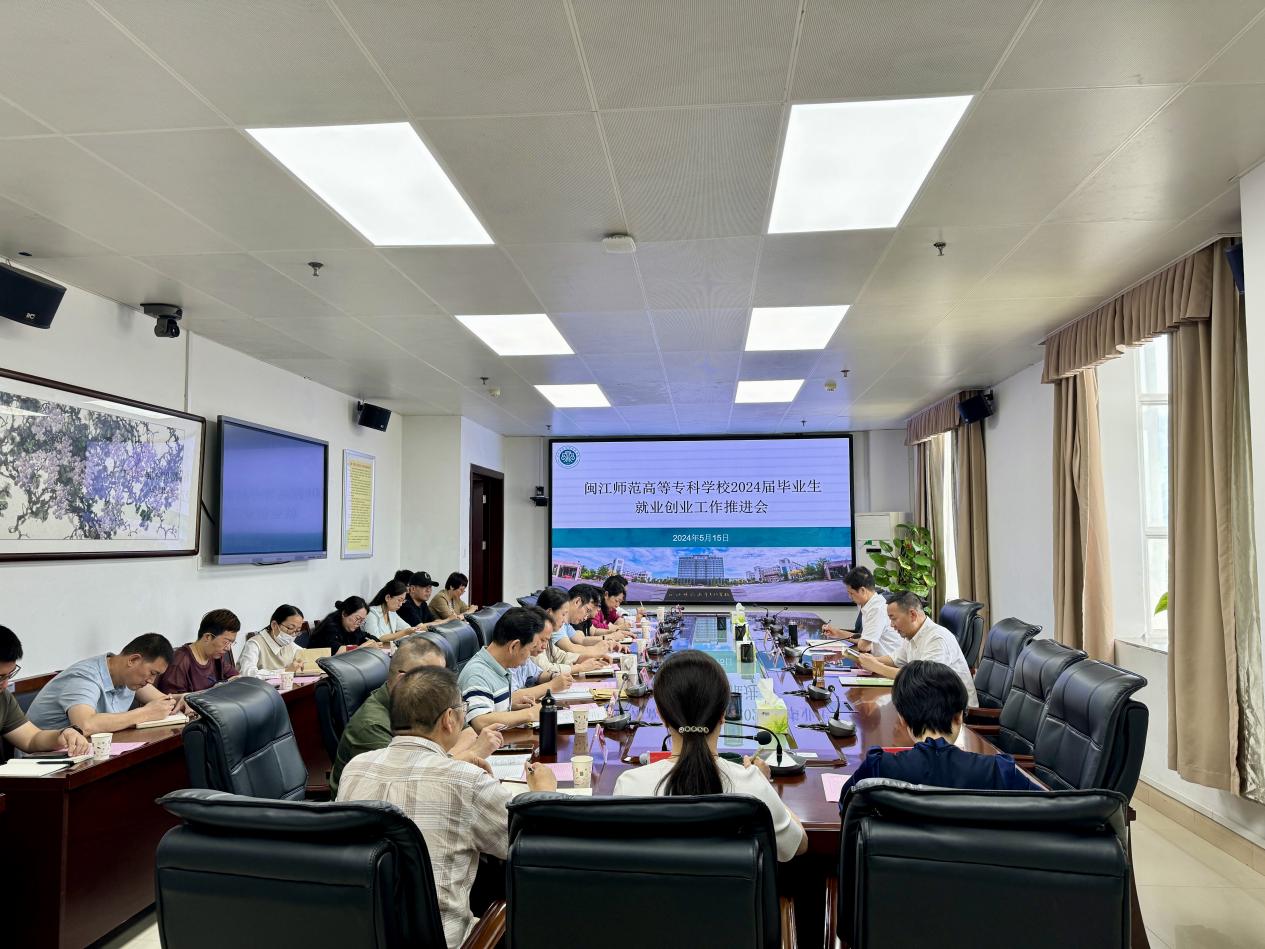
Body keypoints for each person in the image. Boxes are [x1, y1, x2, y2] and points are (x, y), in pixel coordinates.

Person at [337, 666, 555, 947]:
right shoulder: (465, 781)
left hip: (363, 935)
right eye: (463, 708)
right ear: (449, 719)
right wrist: (544, 792)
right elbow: (536, 843)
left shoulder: (355, 768)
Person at [613, 649, 807, 862]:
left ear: (661, 715)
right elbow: (798, 845)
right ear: (723, 714)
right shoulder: (752, 787)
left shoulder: (629, 786)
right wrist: (764, 786)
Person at [838, 660, 1034, 805]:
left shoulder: (878, 768)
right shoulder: (999, 771)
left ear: (902, 719)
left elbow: (846, 807)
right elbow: (1044, 811)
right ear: (959, 716)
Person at [329, 636, 503, 795]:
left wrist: (443, 760)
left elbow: (468, 733)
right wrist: (472, 753)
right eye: (432, 678)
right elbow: (406, 784)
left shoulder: (430, 702)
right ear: (403, 679)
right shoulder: (372, 725)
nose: (442, 686)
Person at [27, 633, 180, 733]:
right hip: (43, 760)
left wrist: (183, 699)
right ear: (133, 660)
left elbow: (163, 701)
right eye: (152, 673)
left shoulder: (129, 677)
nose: (151, 681)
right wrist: (145, 713)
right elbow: (84, 725)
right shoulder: (84, 678)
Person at [855, 590, 979, 706]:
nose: (891, 625)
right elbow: (895, 659)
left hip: (955, 712)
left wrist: (876, 667)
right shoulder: (911, 635)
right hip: (929, 703)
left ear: (913, 615)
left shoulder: (937, 638)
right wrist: (868, 660)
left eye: (893, 619)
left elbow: (921, 679)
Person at [0, 626, 91, 757]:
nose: (5, 684)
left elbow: (31, 739)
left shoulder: (3, 698)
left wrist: (61, 735)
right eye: (0, 677)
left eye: (9, 675)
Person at [457, 607, 551, 732]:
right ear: (514, 646)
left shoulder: (500, 668)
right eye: (530, 649)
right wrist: (530, 714)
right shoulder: (478, 674)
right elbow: (480, 721)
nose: (528, 658)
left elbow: (490, 710)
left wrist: (510, 706)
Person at [156, 609, 241, 693]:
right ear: (207, 637)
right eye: (226, 642)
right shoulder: (180, 661)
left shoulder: (215, 657)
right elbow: (171, 699)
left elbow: (237, 678)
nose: (228, 648)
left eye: (231, 643)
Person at [823, 567, 902, 656]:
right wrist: (837, 632)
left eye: (851, 593)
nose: (850, 597)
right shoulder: (872, 604)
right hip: (877, 659)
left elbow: (864, 646)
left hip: (886, 662)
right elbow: (863, 639)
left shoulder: (877, 609)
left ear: (863, 590)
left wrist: (840, 654)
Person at [532, 587, 607, 678]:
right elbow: (544, 669)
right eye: (563, 614)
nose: (564, 620)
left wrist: (585, 658)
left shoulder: (545, 632)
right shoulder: (533, 633)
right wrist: (579, 667)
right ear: (549, 613)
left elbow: (560, 656)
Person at [507, 607, 574, 700]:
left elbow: (538, 674)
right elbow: (512, 698)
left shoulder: (522, 655)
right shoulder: (509, 660)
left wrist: (553, 676)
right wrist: (551, 686)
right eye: (542, 640)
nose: (545, 646)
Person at [550, 583, 629, 658]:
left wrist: (607, 643)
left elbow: (582, 640)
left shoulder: (566, 624)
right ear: (577, 602)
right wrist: (598, 649)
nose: (586, 617)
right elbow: (570, 648)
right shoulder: (557, 619)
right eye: (587, 610)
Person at [238, 605, 305, 677]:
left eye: (297, 631)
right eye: (290, 628)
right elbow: (247, 674)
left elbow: (306, 655)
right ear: (274, 625)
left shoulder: (289, 644)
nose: (293, 635)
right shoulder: (254, 644)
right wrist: (285, 671)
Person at [363, 579, 429, 644]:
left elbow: (407, 628)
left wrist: (412, 631)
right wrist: (405, 632)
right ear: (388, 597)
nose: (400, 604)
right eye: (399, 600)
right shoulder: (371, 613)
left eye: (403, 601)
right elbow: (376, 639)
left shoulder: (391, 613)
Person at [309, 597, 379, 653]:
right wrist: (363, 648)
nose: (359, 623)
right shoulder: (330, 626)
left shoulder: (352, 626)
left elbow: (363, 636)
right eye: (358, 618)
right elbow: (337, 651)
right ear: (344, 614)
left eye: (362, 620)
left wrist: (375, 642)